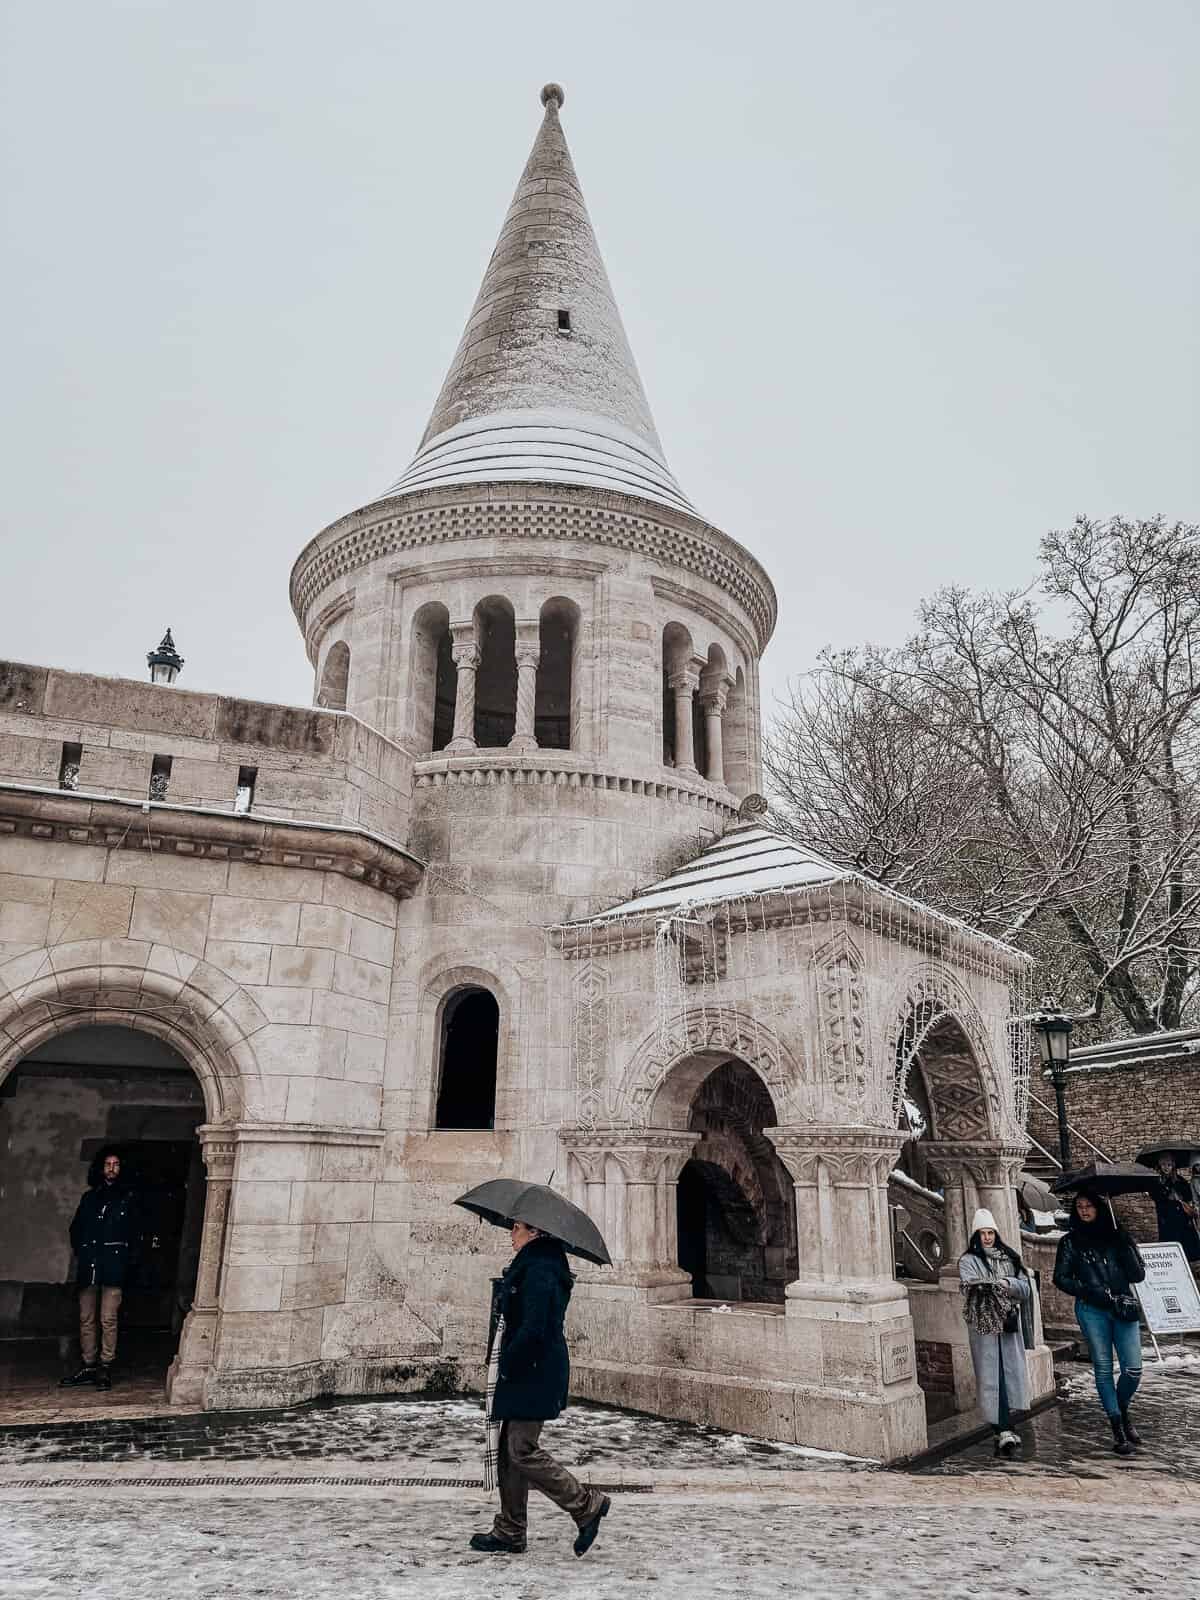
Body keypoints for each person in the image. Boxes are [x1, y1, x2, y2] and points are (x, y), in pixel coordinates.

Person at [470, 1220, 610, 1558]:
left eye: (517, 1227)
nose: (511, 1233)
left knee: (521, 1449)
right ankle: (510, 1530)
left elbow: (534, 1327)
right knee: (509, 1450)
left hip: (533, 1371)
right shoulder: (534, 1263)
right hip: (529, 1369)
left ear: (535, 1231)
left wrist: (508, 1365)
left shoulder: (542, 1268)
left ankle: (585, 1503)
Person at [1052, 1189, 1145, 1455]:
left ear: (1099, 1208)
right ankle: (1117, 1427)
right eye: (1079, 1206)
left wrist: (1126, 1245)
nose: (1084, 1210)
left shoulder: (1117, 1237)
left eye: (1089, 1206)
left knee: (1133, 1369)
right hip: (1091, 1309)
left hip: (1121, 1306)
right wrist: (1086, 1290)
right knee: (1103, 1368)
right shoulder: (1070, 1242)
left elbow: (1137, 1276)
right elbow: (1060, 1277)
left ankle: (1121, 1407)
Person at [59, 1148, 141, 1391]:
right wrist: (83, 1252)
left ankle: (105, 1365)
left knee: (108, 1318)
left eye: (116, 1164)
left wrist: (126, 1260)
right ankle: (89, 1364)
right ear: (100, 1168)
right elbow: (76, 1230)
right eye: (108, 1164)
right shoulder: (89, 1198)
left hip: (114, 1268)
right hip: (90, 1267)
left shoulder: (128, 1199)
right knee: (86, 1318)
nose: (112, 1168)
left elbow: (136, 1236)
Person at [957, 1208, 1034, 1457]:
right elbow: (969, 1286)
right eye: (983, 1233)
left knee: (1009, 1371)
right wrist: (991, 1287)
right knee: (992, 1374)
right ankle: (1002, 1428)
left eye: (991, 1233)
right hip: (985, 1324)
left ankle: (1007, 1424)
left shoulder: (1009, 1258)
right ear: (975, 1236)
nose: (987, 1237)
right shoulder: (968, 1260)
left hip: (1009, 1323)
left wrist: (1006, 1284)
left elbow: (1025, 1287)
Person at [1151, 1155, 1200, 1265]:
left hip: (1181, 1218)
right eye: (1163, 1165)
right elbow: (1155, 1196)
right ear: (1159, 1166)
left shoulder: (1180, 1180)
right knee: (1169, 1244)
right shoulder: (1157, 1181)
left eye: (1169, 1165)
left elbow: (1188, 1196)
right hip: (1166, 1218)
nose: (1166, 1168)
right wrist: (1167, 1195)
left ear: (1173, 1165)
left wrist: (1179, 1197)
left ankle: (1186, 1266)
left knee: (1184, 1244)